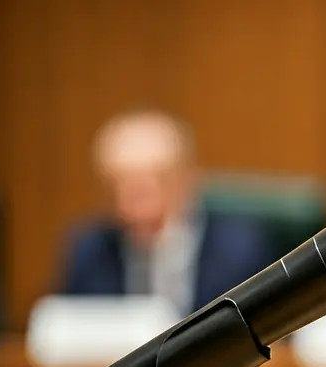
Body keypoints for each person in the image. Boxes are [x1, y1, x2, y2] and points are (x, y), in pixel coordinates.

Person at [59, 109, 272, 317]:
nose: (135, 210)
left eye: (150, 187)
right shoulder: (91, 250)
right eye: (119, 187)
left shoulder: (240, 250)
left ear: (187, 180)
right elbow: (62, 330)